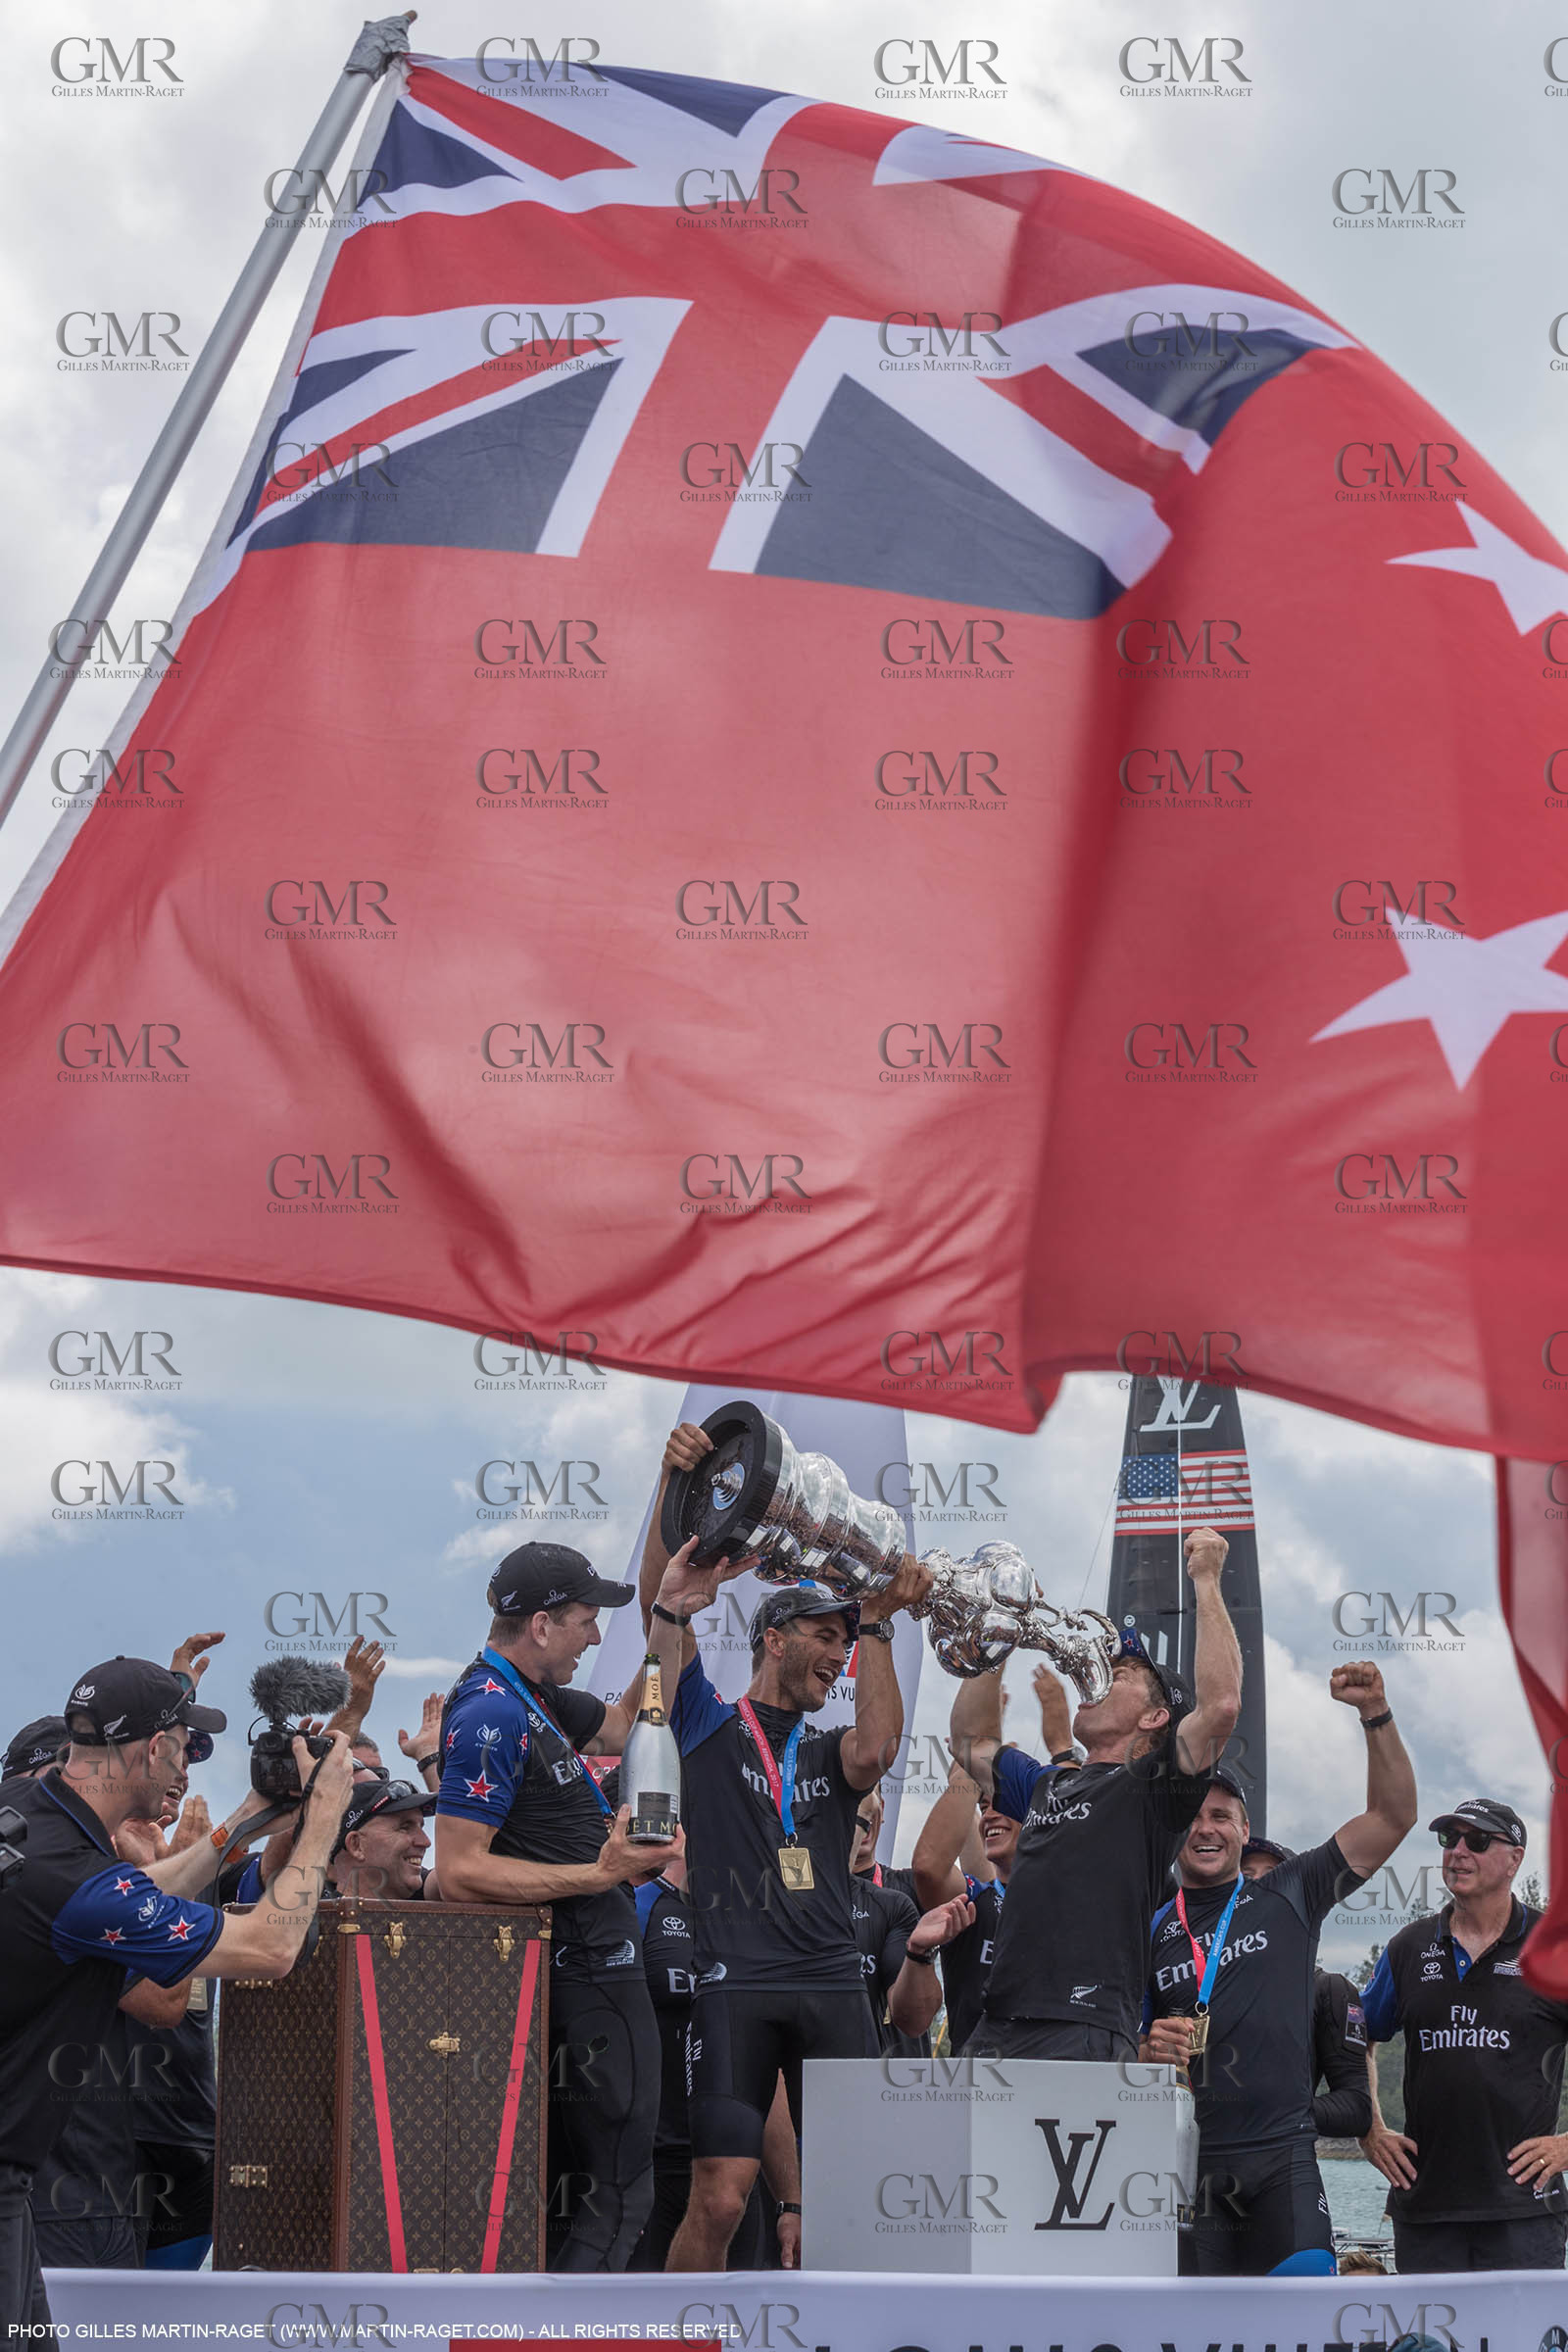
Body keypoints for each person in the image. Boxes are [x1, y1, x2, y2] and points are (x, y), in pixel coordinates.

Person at [0, 1654, 353, 2330]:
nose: (188, 1763)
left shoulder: (31, 1814)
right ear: (156, 1747)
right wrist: (323, 1820)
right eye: (187, 1745)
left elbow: (132, 1898)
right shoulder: (77, 1879)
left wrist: (248, 1818)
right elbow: (271, 1950)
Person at [644, 1523, 930, 2273]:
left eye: (848, 1639)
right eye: (826, 1636)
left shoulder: (831, 1745)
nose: (839, 1655)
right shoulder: (707, 1724)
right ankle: (680, 2334)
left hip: (833, 1983)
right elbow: (666, 1640)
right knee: (721, 2201)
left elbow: (878, 1750)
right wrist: (673, 1576)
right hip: (735, 1984)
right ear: (775, 1639)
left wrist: (876, 1624)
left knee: (858, 2196)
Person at [431, 1541, 678, 2273]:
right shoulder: (489, 1712)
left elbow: (634, 1713)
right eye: (584, 1620)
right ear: (540, 1627)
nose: (597, 1635)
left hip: (583, 1976)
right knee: (618, 2194)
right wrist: (597, 1873)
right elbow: (458, 1872)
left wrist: (672, 1610)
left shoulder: (533, 1698)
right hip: (582, 1977)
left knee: (574, 2199)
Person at [1141, 1663, 1415, 2275]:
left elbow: (1393, 1817)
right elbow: (1118, 2042)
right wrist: (1144, 2046)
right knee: (1196, 2333)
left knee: (1300, 2324)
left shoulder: (1290, 1892)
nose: (1206, 1828)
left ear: (1244, 1829)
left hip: (1283, 2160)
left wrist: (1376, 1713)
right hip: (1191, 2165)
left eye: (1222, 1816)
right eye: (1193, 1815)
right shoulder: (1153, 1926)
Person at [960, 1526, 1243, 2061]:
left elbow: (1222, 1706)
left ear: (1155, 1716)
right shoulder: (1049, 1782)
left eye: (1119, 1674)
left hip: (1082, 2025)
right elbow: (970, 1743)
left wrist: (1205, 1578)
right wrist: (1001, 1626)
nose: (1094, 1679)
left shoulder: (1156, 1787)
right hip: (997, 2023)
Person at [1359, 1795, 1568, 2272]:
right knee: (1430, 2347)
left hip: (1525, 2210)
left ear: (1515, 1859)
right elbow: (1358, 2039)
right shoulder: (1408, 1948)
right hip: (1426, 2206)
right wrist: (1369, 2130)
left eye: (1476, 1840)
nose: (1457, 1851)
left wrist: (1566, 2146)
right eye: (1448, 1839)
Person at [627, 1854, 801, 2273]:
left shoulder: (756, 1925)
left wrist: (790, 2201)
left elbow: (767, 2070)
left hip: (735, 2171)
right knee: (648, 2332)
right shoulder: (640, 1906)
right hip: (651, 2170)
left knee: (733, 2329)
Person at [912, 1663, 1076, 2054]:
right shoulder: (975, 1903)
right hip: (978, 2093)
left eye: (1004, 1802)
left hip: (1064, 2084)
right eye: (984, 1806)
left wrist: (1063, 1749)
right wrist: (977, 1764)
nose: (990, 1813)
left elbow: (1076, 1813)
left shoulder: (1077, 1900)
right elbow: (929, 1867)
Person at [1239, 1834, 1373, 2140]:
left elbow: (1356, 2108)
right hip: (1201, 2165)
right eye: (1245, 1877)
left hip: (1282, 2165)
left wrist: (1278, 2110)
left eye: (1273, 1877)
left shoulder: (1329, 1990)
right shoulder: (1195, 1980)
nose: (1257, 1885)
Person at [848, 1791, 972, 2052]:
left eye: (866, 1802)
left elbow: (944, 1872)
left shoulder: (909, 1888)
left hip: (902, 2077)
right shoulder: (808, 1895)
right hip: (826, 2072)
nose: (864, 1817)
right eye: (850, 1800)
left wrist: (966, 1781)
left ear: (880, 1810)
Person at [327, 1777, 434, 1899]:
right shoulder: (313, 1916)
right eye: (404, 1827)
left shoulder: (428, 1915)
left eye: (421, 1827)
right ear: (356, 1845)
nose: (425, 1842)